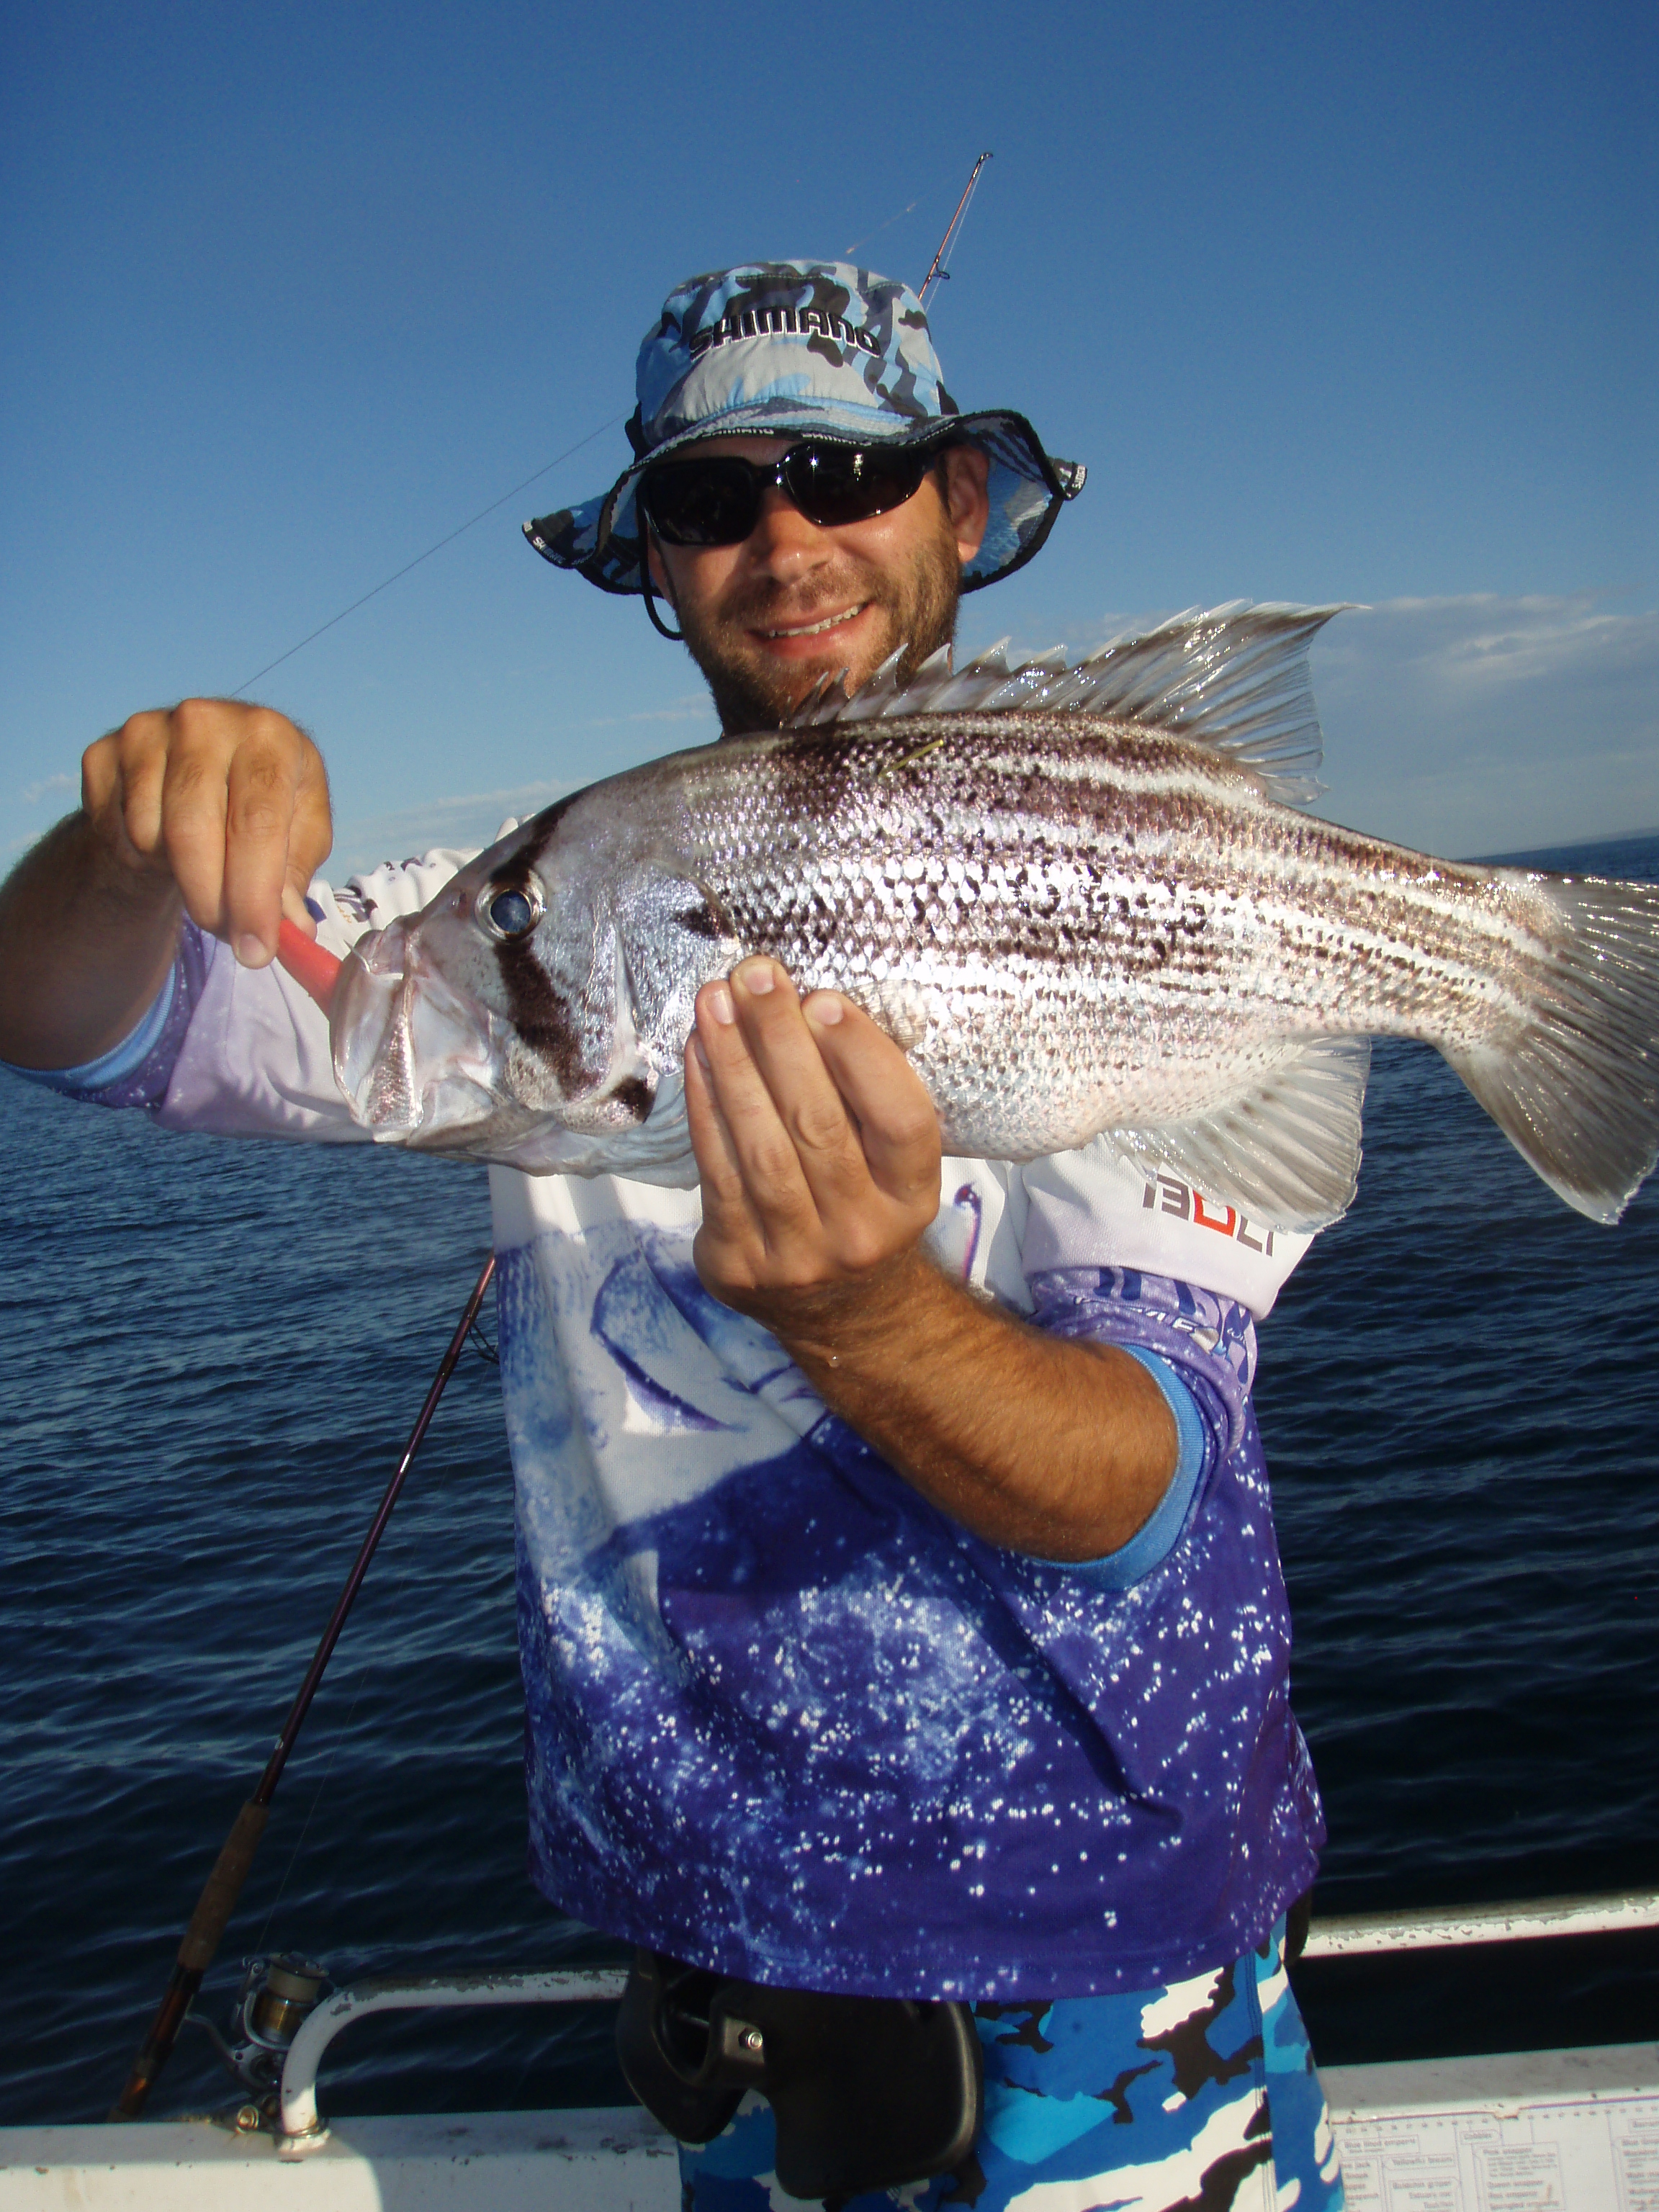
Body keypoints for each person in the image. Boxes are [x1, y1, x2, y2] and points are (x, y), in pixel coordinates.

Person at [0, 262, 1345, 2211]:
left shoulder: (1138, 912)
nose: (784, 539)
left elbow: (1139, 1485)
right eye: (714, 499)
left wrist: (865, 1317)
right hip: (728, 2009)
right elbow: (66, 1016)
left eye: (846, 472)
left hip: (1104, 2003)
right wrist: (130, 845)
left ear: (959, 506)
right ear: (653, 555)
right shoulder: (539, 912)